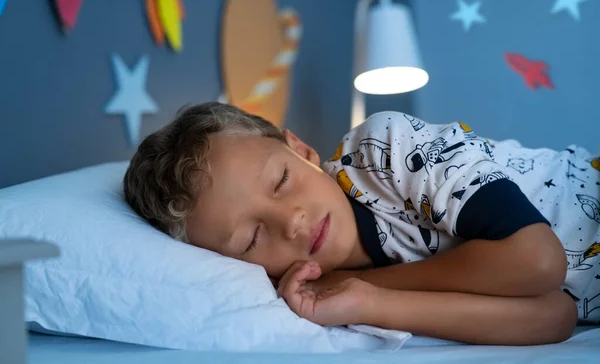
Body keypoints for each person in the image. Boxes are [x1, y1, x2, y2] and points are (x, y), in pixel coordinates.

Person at [124, 102, 600, 345]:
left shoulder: (383, 149)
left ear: (302, 151)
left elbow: (539, 261)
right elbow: (555, 314)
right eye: (251, 239)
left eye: (283, 180)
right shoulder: (324, 295)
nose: (291, 222)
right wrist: (370, 302)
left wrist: (366, 285)